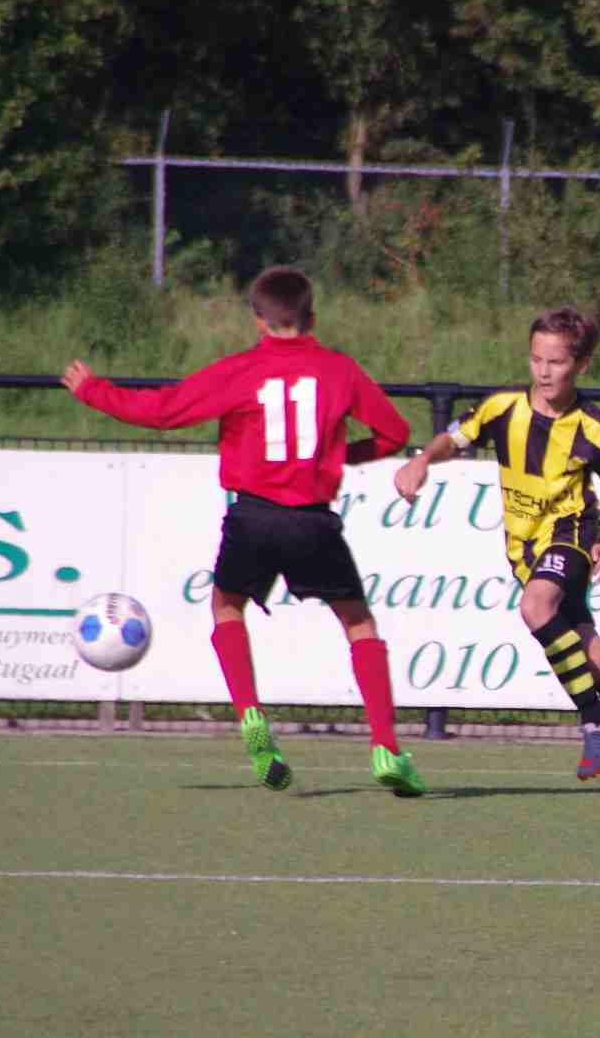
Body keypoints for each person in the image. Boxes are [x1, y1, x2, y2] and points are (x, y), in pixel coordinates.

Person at [62, 265, 426, 797]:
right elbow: (394, 432)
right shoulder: (340, 370)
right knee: (358, 623)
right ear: (311, 317)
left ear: (258, 319)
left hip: (253, 517)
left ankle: (251, 715)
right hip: (313, 520)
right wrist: (337, 455)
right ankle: (386, 747)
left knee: (227, 607)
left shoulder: (240, 371)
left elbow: (163, 411)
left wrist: (93, 390)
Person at [391, 306, 600, 791]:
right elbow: (453, 439)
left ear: (581, 365)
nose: (544, 372)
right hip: (523, 550)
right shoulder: (502, 409)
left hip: (573, 535)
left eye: (557, 362)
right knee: (596, 663)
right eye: (536, 359)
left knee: (535, 606)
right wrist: (422, 462)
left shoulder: (594, 427)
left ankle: (596, 722)